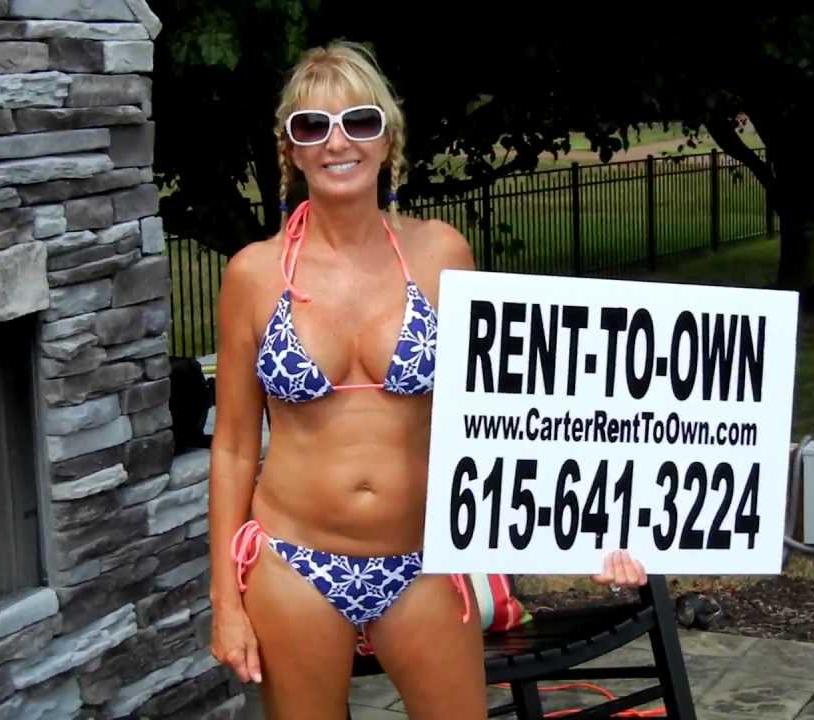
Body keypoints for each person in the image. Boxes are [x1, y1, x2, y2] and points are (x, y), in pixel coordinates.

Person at [208, 40, 647, 719]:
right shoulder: (254, 275)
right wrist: (224, 601)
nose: (337, 142)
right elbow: (235, 447)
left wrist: (599, 529)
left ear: (388, 137)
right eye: (312, 126)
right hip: (292, 561)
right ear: (290, 149)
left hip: (423, 559)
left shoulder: (442, 254)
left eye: (359, 121)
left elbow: (514, 412)